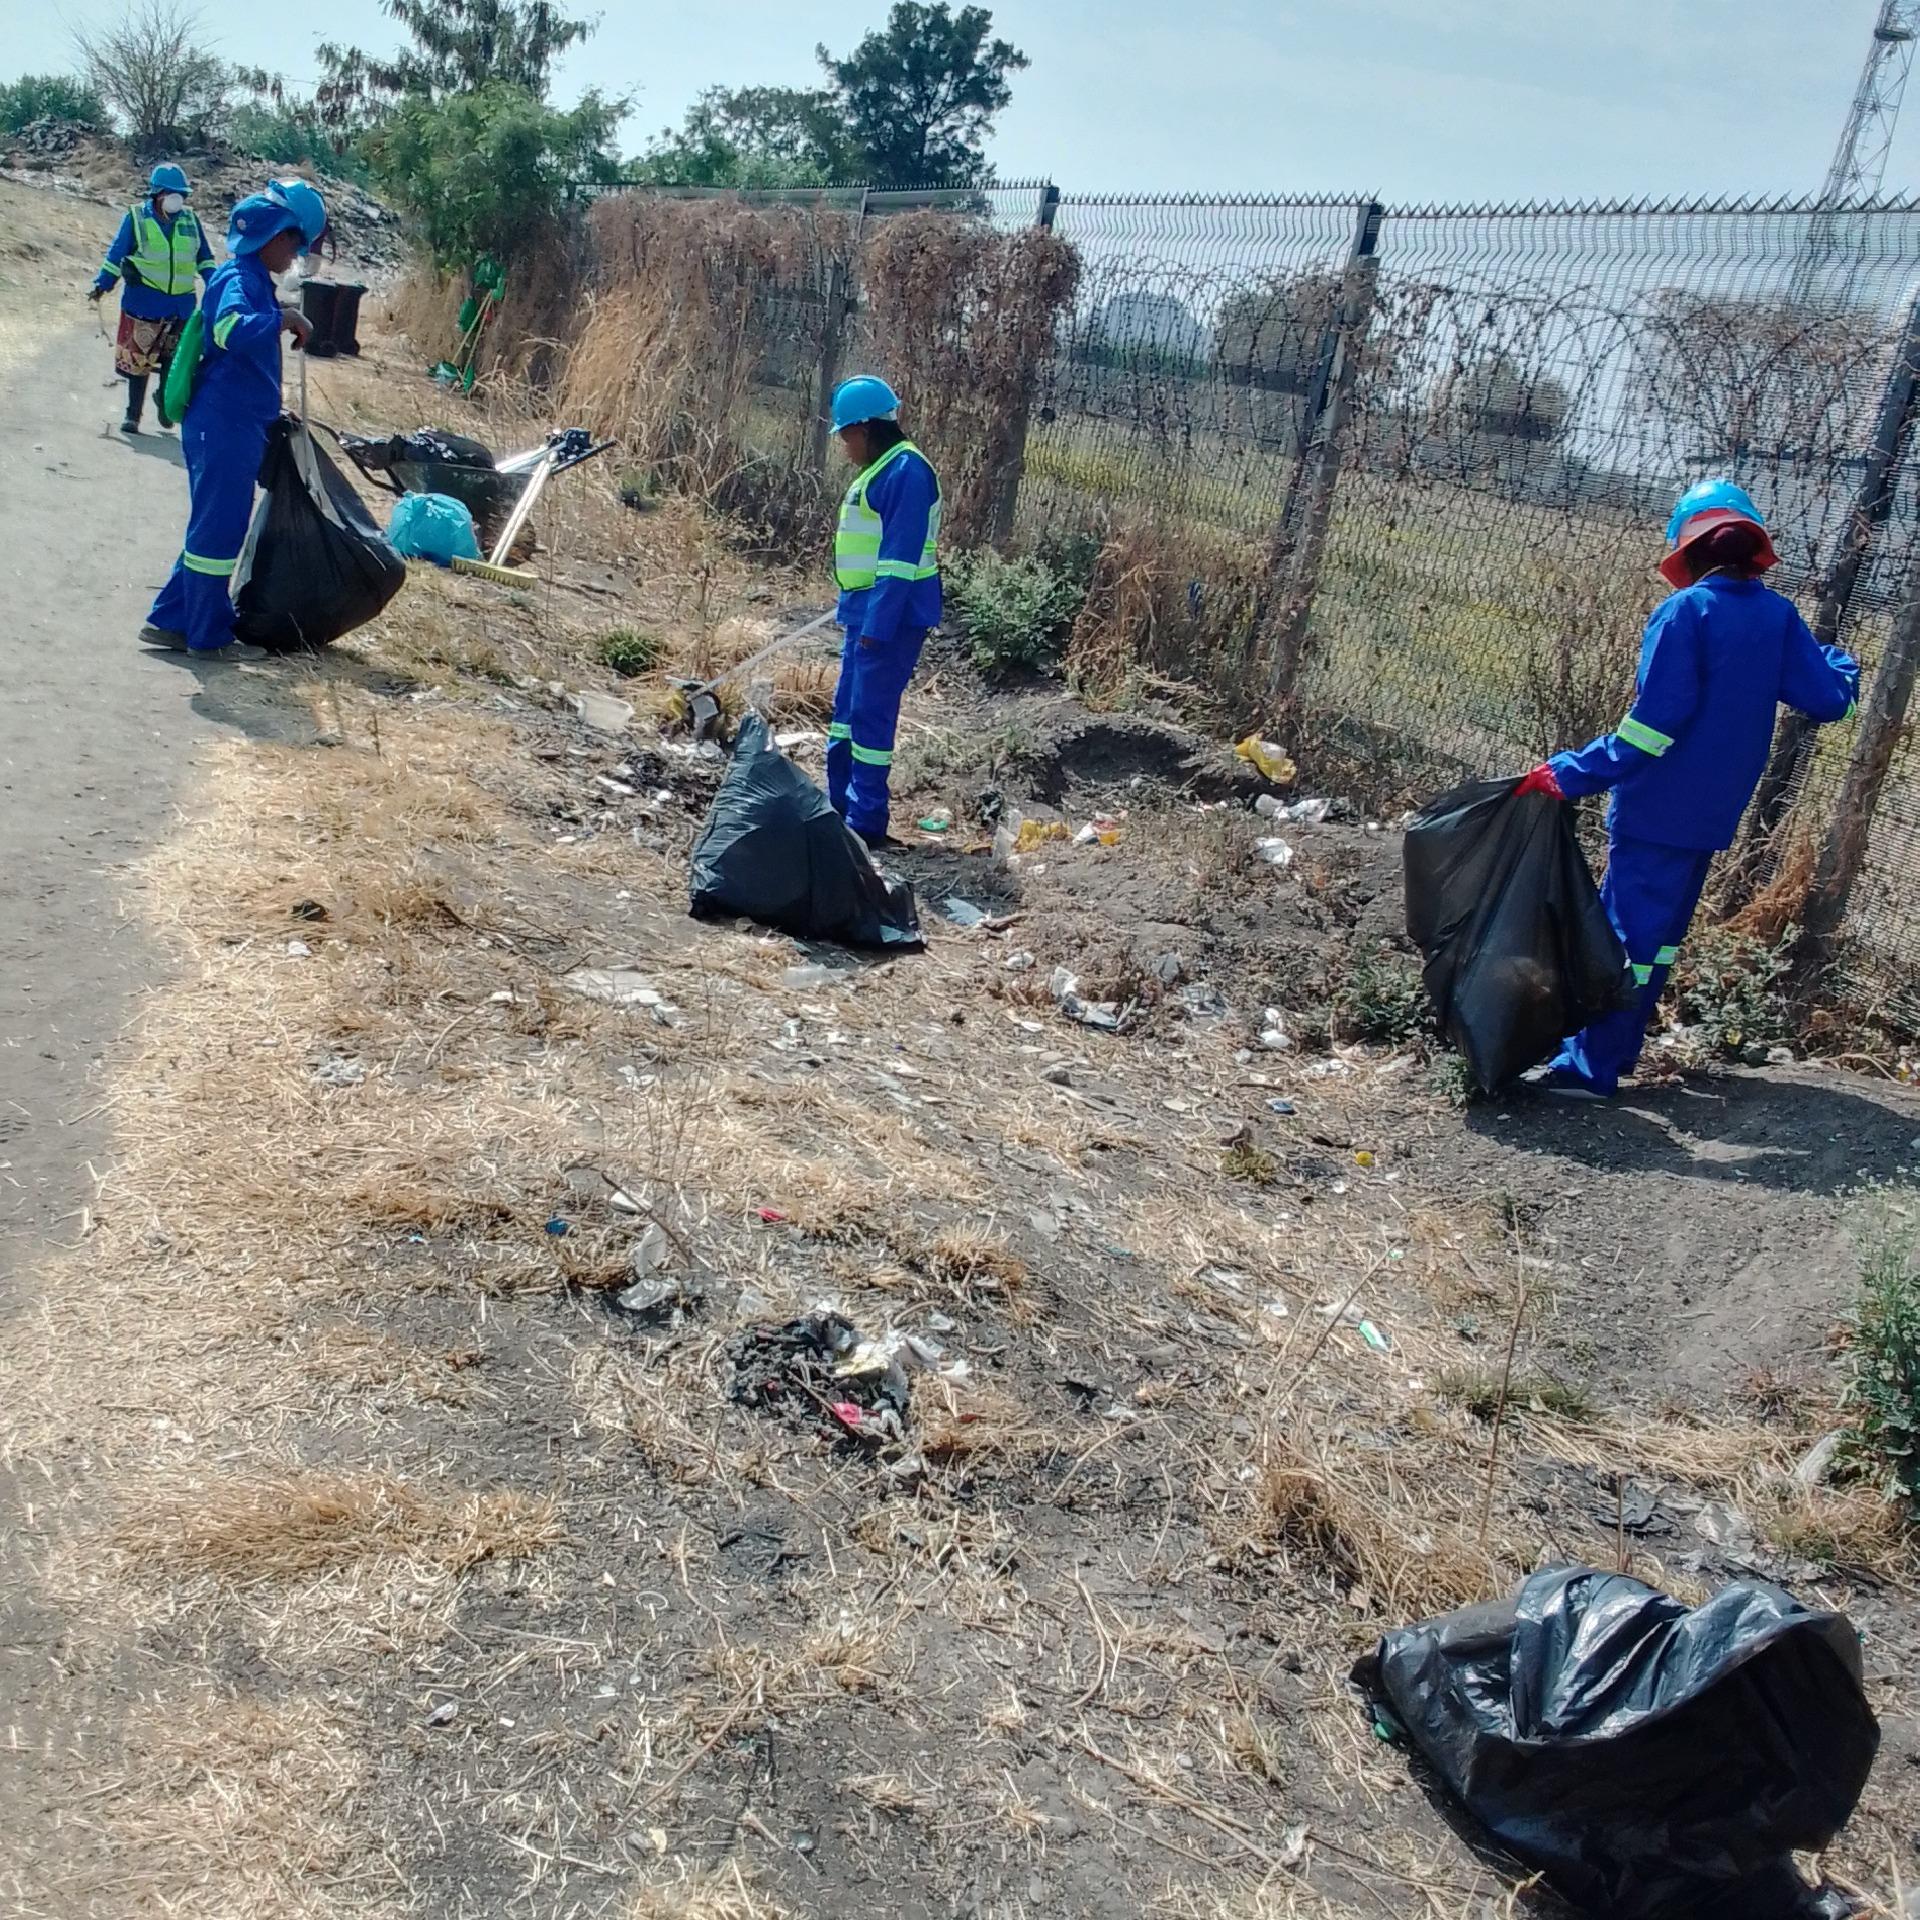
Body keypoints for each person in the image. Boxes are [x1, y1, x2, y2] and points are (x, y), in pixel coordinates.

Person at [1518, 480, 1859, 1099]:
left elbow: (1654, 725)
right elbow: (1829, 700)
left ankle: (1589, 1070)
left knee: (1628, 937)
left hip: (1655, 809)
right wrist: (1841, 662)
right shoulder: (1777, 616)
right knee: (1659, 941)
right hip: (1713, 814)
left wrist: (1571, 773)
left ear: (1687, 551)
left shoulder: (1685, 612)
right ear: (1755, 549)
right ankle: (1615, 1054)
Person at [140, 179, 326, 660]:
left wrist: (280, 316)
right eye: (295, 243)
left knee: (212, 525)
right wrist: (282, 320)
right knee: (218, 532)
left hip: (234, 420)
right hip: (224, 423)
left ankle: (169, 621)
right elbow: (227, 330)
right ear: (274, 237)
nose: (296, 254)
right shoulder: (238, 279)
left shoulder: (251, 279)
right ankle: (209, 638)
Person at [826, 375, 942, 848]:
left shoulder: (907, 472)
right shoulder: (883, 469)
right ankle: (837, 808)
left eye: (846, 435)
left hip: (891, 618)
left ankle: (865, 822)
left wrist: (878, 625)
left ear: (866, 427)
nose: (844, 446)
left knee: (870, 717)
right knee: (846, 715)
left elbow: (898, 560)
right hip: (864, 611)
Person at [89, 164, 216, 435]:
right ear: (157, 194)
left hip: (181, 305)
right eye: (172, 193)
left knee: (174, 360)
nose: (178, 199)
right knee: (139, 363)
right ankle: (132, 415)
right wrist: (102, 284)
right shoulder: (136, 218)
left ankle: (164, 402)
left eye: (182, 194)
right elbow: (116, 255)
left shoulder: (190, 220)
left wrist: (216, 285)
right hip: (145, 302)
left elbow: (205, 258)